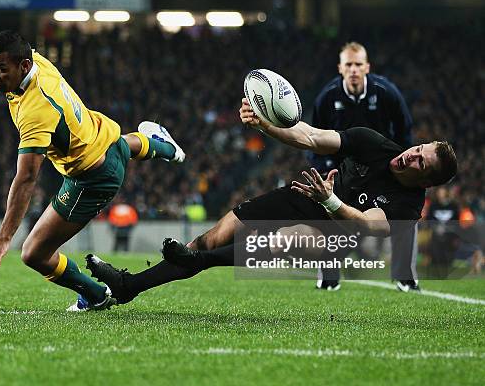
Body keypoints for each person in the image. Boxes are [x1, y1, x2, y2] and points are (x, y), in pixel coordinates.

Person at [0, 30, 185, 311]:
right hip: (102, 135)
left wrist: (4, 237)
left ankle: (95, 295)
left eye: (1, 70)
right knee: (124, 144)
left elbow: (27, 177)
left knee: (34, 253)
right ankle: (166, 147)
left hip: (93, 177)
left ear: (24, 65)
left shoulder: (36, 109)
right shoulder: (29, 60)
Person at [85, 98, 457, 305]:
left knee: (284, 240)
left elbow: (368, 223)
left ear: (425, 179)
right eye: (418, 148)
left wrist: (330, 202)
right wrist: (264, 125)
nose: (411, 156)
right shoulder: (375, 144)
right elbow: (310, 137)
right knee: (213, 238)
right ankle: (127, 287)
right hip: (305, 195)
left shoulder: (409, 205)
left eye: (420, 162)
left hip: (338, 234)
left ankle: (185, 264)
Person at [309, 41, 418, 291]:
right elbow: (315, 137)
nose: (354, 69)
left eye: (358, 64)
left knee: (404, 217)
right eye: (349, 64)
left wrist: (402, 167)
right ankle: (328, 278)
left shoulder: (386, 92)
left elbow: (404, 130)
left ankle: (405, 277)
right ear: (340, 67)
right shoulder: (327, 97)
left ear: (367, 67)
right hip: (342, 170)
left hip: (382, 168)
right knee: (333, 218)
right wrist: (324, 171)